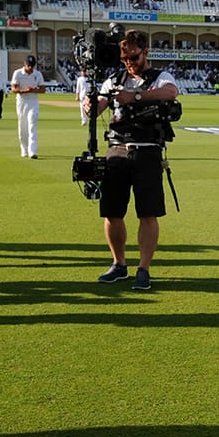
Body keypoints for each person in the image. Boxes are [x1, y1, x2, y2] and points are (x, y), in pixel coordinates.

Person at [88, 30, 178, 291]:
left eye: (134, 57)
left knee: (148, 213)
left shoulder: (160, 77)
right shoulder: (113, 79)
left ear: (145, 52)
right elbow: (99, 108)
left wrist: (135, 96)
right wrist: (90, 104)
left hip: (148, 150)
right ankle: (119, 264)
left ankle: (144, 268)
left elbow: (170, 93)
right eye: (125, 58)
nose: (129, 63)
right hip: (116, 149)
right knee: (112, 212)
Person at [12, 55, 44, 158]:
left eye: (32, 66)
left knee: (32, 125)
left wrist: (33, 90)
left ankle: (32, 151)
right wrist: (23, 91)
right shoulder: (17, 73)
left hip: (33, 102)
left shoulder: (37, 74)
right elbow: (14, 88)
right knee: (22, 126)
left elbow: (43, 89)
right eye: (29, 66)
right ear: (25, 64)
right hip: (22, 102)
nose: (30, 68)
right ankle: (24, 149)